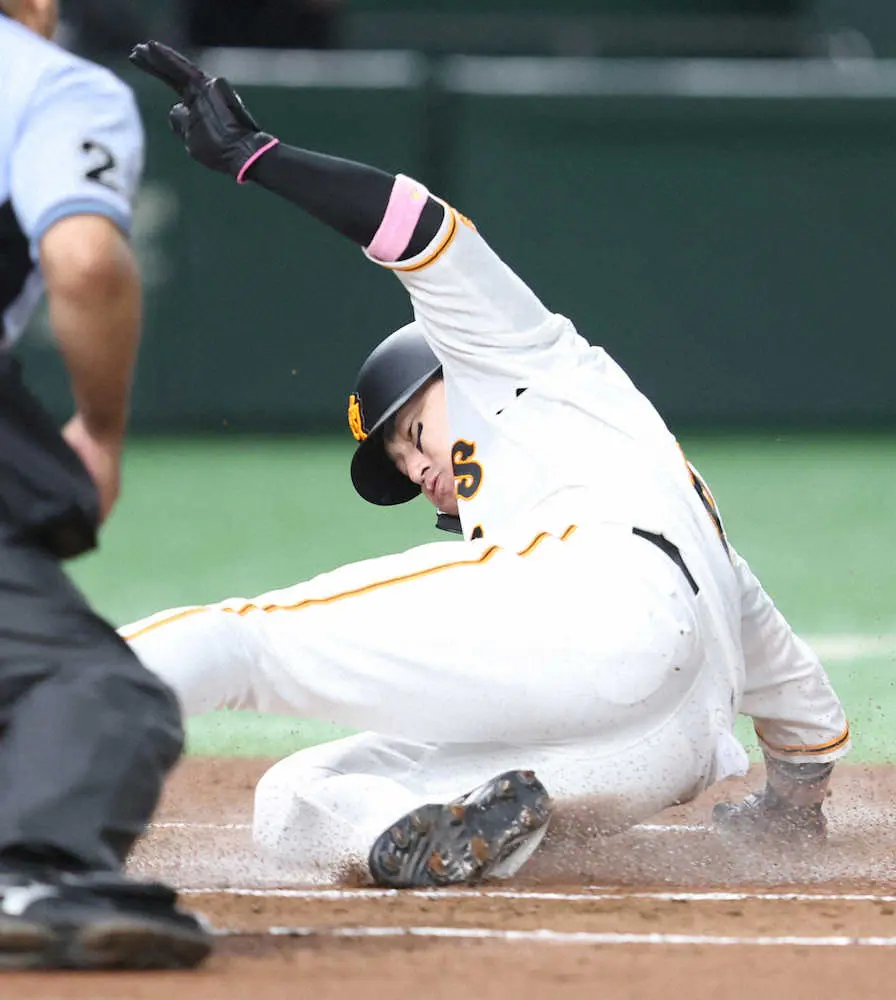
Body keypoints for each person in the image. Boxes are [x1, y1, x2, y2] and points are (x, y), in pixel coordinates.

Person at [125, 41, 851, 888]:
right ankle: (407, 835)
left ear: (448, 366)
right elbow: (794, 691)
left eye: (410, 434)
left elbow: (421, 228)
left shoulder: (513, 353)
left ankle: (35, 733)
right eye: (401, 465)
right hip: (656, 757)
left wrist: (261, 158)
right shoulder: (677, 507)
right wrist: (792, 808)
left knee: (238, 640)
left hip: (599, 609)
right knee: (295, 794)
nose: (415, 470)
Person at [0, 6, 210, 969]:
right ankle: (30, 872)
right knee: (88, 691)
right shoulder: (49, 80)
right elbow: (84, 262)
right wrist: (102, 427)